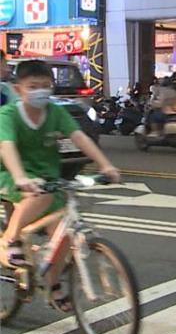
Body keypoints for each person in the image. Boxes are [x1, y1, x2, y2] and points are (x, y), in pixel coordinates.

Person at [0, 60, 122, 309]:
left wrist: (105, 165)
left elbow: (79, 137)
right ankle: (10, 241)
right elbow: (7, 146)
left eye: (46, 85)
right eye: (33, 86)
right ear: (18, 88)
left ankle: (53, 286)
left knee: (63, 236)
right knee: (40, 197)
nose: (40, 91)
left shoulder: (55, 112)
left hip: (48, 178)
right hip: (10, 174)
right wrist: (21, 177)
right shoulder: (8, 114)